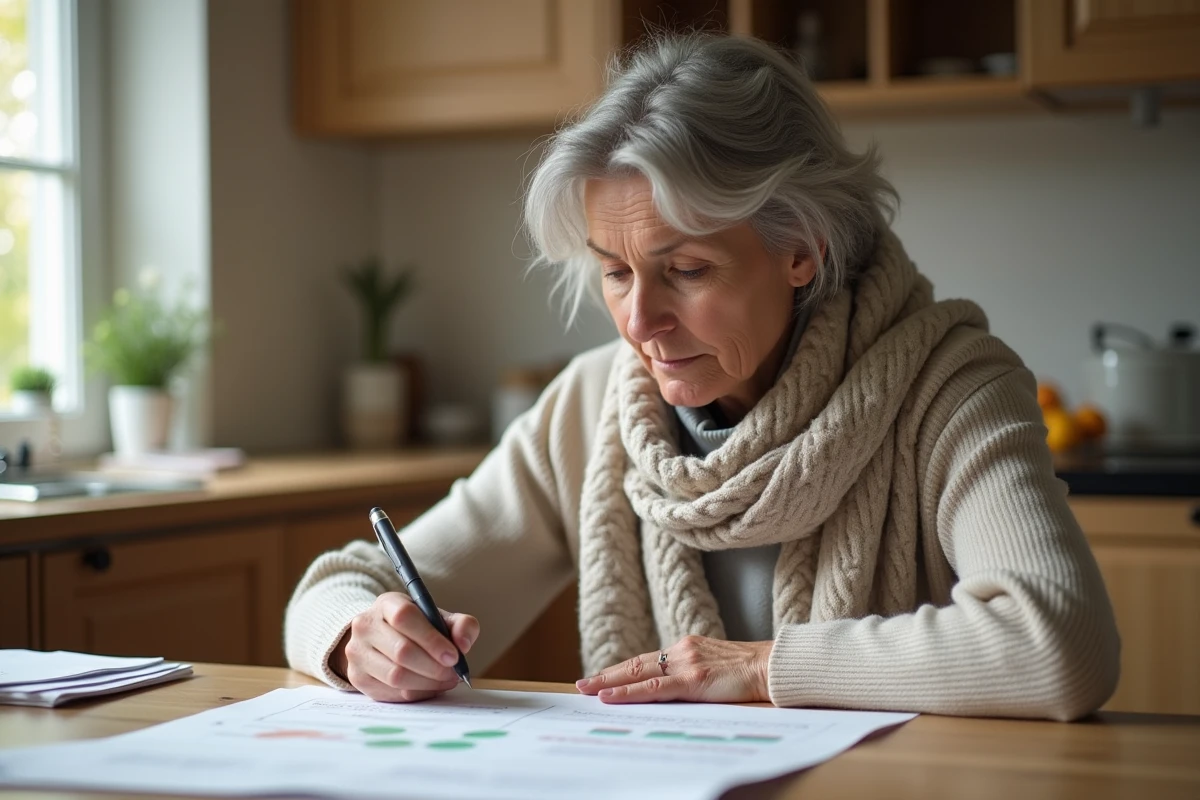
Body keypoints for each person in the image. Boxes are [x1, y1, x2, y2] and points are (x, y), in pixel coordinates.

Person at [285, 33, 1119, 721]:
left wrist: (760, 669)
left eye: (685, 269)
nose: (639, 323)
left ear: (801, 250)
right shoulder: (592, 404)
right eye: (615, 272)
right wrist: (358, 638)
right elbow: (338, 586)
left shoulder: (952, 388)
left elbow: (1057, 642)